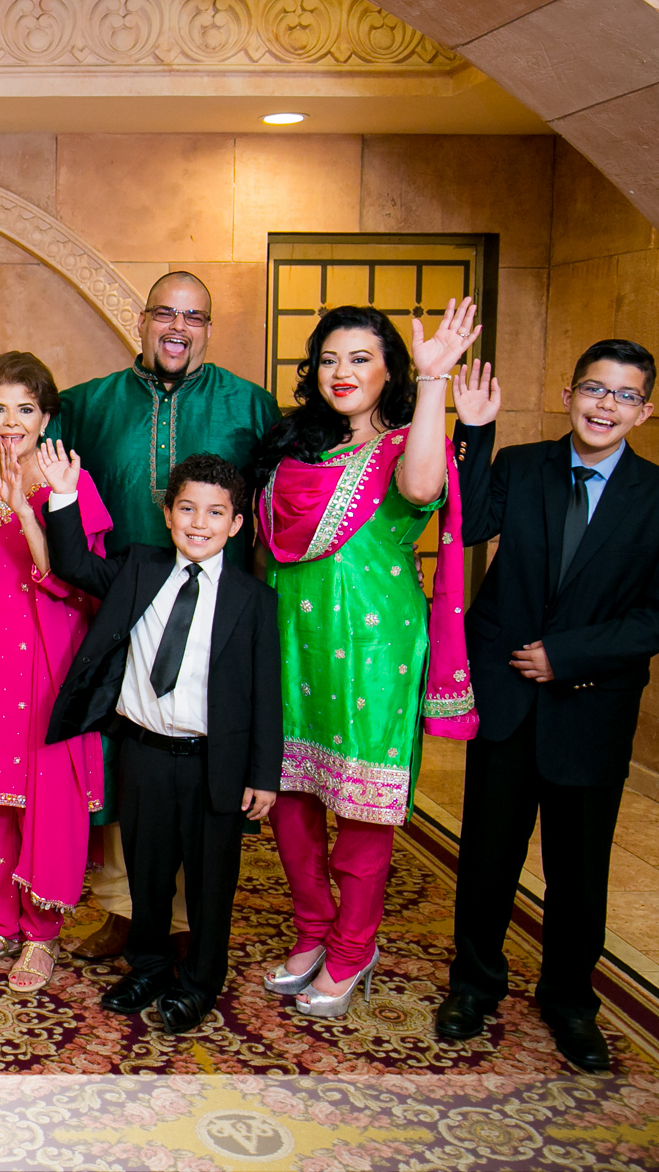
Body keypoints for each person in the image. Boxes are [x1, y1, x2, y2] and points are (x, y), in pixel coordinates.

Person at [0, 273, 279, 959]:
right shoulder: (93, 403)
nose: (178, 327)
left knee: (207, 748)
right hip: (114, 597)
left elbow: (276, 500)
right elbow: (10, 441)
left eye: (194, 316)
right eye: (164, 313)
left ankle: (193, 924)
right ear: (143, 320)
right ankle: (125, 911)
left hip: (214, 600)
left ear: (208, 327)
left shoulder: (251, 404)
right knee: (127, 753)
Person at [437, 340, 659, 1072]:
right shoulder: (521, 468)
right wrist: (476, 429)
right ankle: (474, 985)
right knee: (488, 858)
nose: (604, 405)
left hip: (591, 709)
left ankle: (569, 1001)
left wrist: (568, 655)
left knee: (578, 872)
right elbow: (468, 520)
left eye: (623, 396)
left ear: (643, 412)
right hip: (507, 703)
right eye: (593, 388)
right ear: (568, 394)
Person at [251, 302, 482, 1018]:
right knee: (289, 800)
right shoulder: (296, 449)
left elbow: (421, 490)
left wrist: (437, 380)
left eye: (360, 359)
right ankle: (314, 930)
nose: (342, 373)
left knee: (359, 806)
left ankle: (354, 949)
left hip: (374, 653)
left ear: (391, 370)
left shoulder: (406, 446)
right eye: (329, 359)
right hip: (292, 641)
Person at [40, 446, 282, 1034]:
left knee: (208, 883)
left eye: (216, 513)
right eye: (188, 510)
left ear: (237, 523)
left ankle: (200, 982)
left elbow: (265, 691)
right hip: (144, 753)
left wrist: (263, 774)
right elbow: (72, 563)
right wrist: (64, 495)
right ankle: (148, 966)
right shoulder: (139, 568)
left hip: (212, 763)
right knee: (146, 872)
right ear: (168, 514)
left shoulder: (253, 599)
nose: (200, 524)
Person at [0, 351, 109, 993]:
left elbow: (75, 582)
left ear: (46, 417)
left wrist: (30, 512)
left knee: (44, 793)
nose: (11, 421)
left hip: (49, 655)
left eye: (25, 409)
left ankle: (41, 935)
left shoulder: (71, 479)